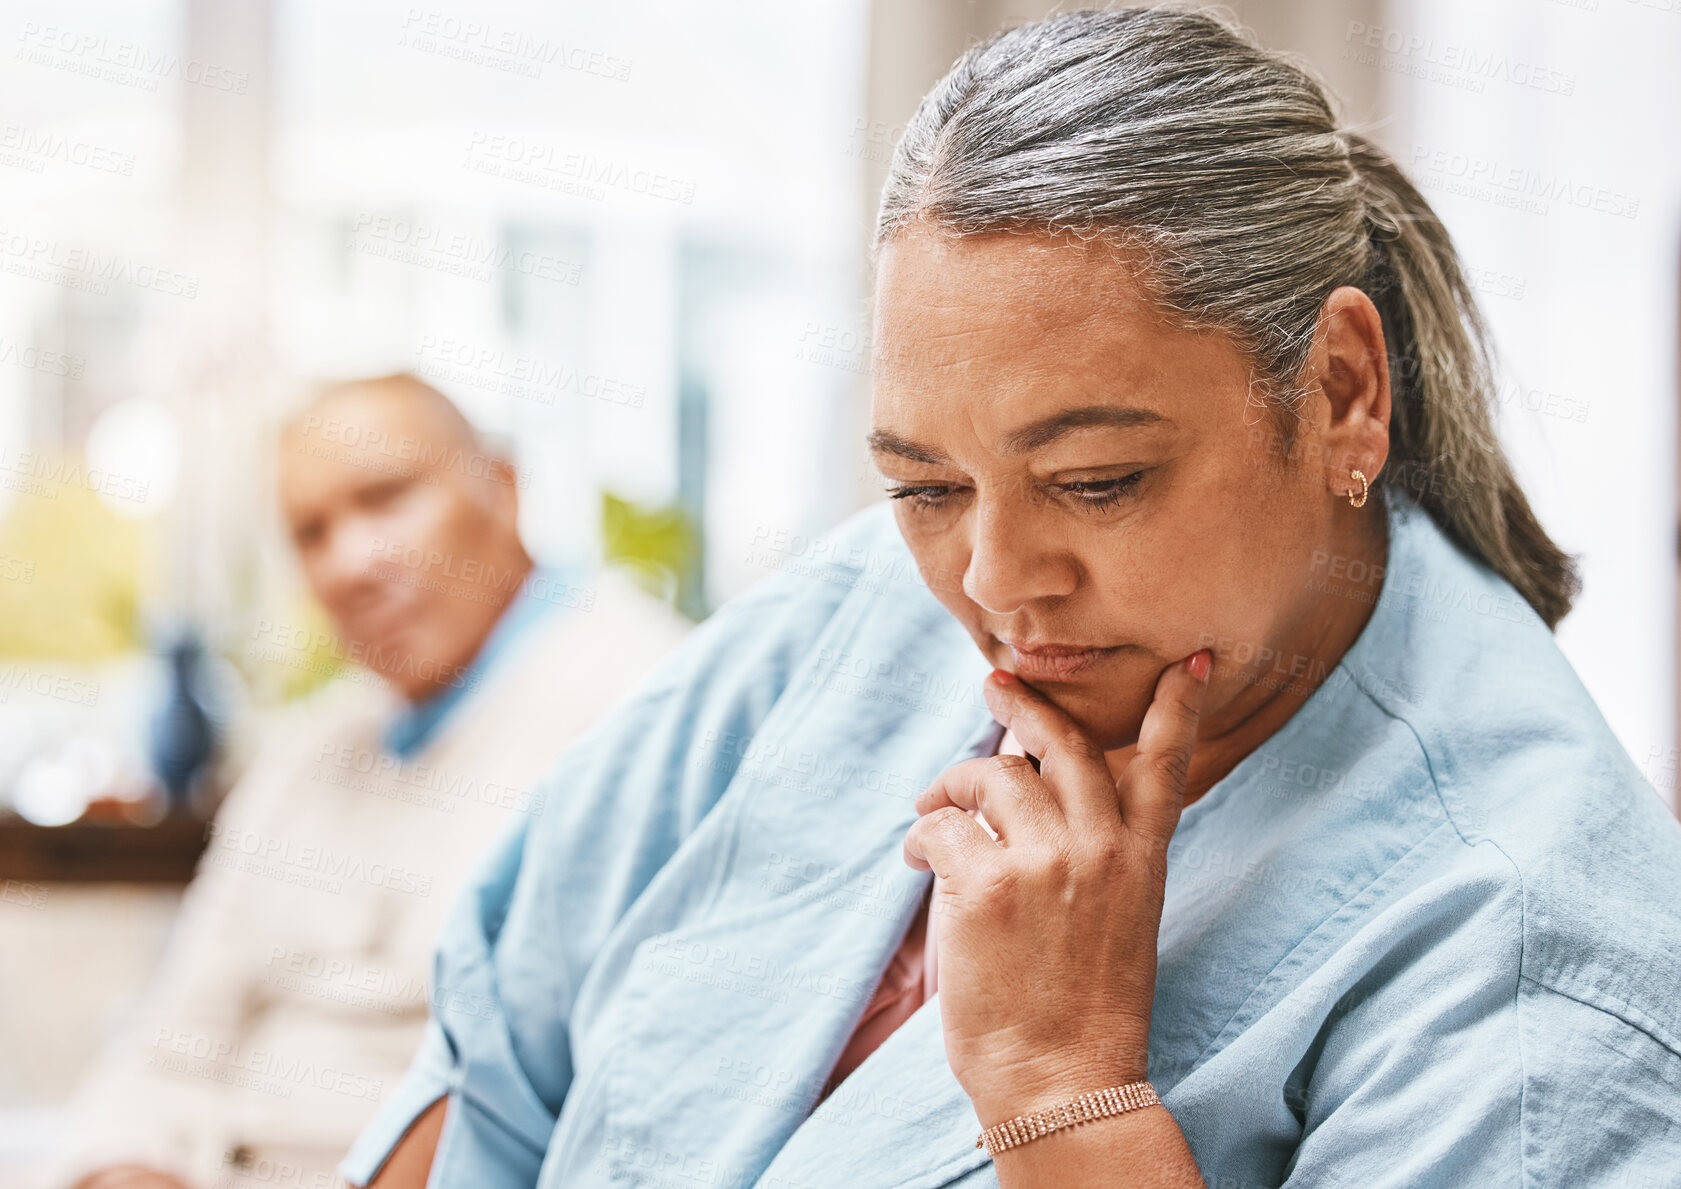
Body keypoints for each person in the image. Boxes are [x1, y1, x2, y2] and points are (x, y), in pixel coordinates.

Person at [343, 11, 1681, 1189]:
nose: (990, 582)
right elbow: (491, 1067)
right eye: (924, 486)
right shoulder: (855, 616)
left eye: (1097, 482)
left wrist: (1062, 1097)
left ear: (1340, 391)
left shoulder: (1531, 958)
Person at [43, 374, 692, 1189]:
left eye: (386, 498)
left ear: (504, 489)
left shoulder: (647, 705)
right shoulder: (306, 753)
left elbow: (599, 1088)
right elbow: (169, 1039)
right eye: (311, 532)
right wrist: (124, 1169)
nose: (349, 561)